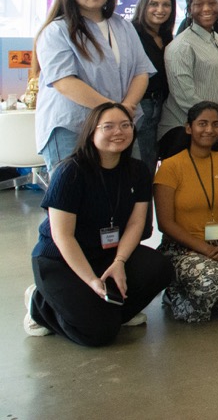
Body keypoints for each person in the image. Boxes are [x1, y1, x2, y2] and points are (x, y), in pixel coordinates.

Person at [24, 103, 172, 346]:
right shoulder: (70, 172)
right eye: (109, 126)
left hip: (106, 254)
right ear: (92, 131)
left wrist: (120, 261)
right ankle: (39, 304)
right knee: (98, 334)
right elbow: (63, 237)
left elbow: (136, 223)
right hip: (62, 260)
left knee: (160, 267)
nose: (119, 132)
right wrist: (92, 280)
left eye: (126, 125)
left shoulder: (137, 171)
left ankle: (110, 312)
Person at [35, 0, 153, 173]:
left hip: (120, 124)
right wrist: (114, 110)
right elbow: (64, 82)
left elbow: (140, 72)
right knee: (73, 195)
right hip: (73, 127)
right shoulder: (57, 30)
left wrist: (125, 108)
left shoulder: (123, 26)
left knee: (120, 192)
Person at [153, 102, 218, 323]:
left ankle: (206, 291)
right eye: (202, 124)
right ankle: (176, 292)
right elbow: (165, 223)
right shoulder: (170, 167)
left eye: (216, 124)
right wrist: (203, 249)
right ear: (189, 128)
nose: (209, 130)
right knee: (211, 284)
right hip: (182, 249)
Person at [157, 0, 218, 160]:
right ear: (189, 10)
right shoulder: (181, 46)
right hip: (183, 131)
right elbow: (184, 94)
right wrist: (214, 121)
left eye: (212, 3)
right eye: (199, 4)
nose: (207, 8)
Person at [130, 0, 176, 173]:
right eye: (154, 4)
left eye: (166, 5)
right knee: (139, 166)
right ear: (143, 6)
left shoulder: (167, 37)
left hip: (162, 107)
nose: (160, 10)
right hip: (140, 106)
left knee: (151, 164)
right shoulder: (131, 33)